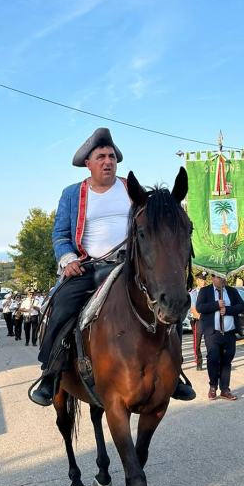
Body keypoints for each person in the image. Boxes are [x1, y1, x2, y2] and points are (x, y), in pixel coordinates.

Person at [30, 126, 195, 406]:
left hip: (128, 266)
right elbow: (59, 235)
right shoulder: (72, 194)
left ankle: (174, 371)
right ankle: (51, 373)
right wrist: (67, 259)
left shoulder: (130, 190)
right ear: (88, 163)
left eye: (112, 157)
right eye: (101, 157)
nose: (108, 161)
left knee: (169, 301)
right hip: (86, 268)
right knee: (61, 306)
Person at [196, 273, 244, 400]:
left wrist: (228, 310)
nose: (222, 279)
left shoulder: (231, 291)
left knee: (226, 361)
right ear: (213, 278)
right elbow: (200, 307)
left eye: (223, 277)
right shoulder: (205, 291)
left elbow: (242, 306)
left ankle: (225, 389)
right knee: (213, 359)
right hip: (213, 333)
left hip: (229, 333)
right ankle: (213, 386)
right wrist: (216, 305)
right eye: (219, 277)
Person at [189, 270, 208, 370]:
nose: (203, 282)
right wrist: (202, 317)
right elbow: (193, 309)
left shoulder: (210, 292)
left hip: (209, 320)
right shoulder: (193, 293)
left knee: (211, 341)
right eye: (201, 280)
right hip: (198, 320)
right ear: (197, 281)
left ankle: (212, 360)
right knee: (197, 343)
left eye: (204, 280)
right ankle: (199, 362)